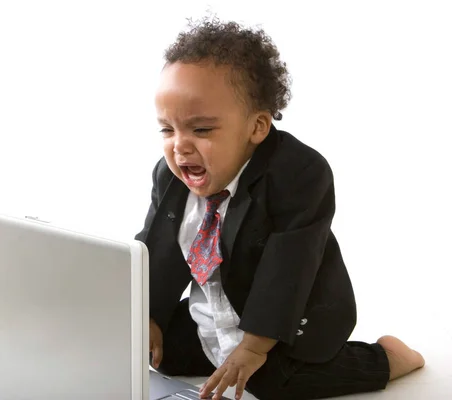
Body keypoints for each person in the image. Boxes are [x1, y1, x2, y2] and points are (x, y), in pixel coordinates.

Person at [135, 16, 425, 400]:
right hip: (218, 310)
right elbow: (157, 244)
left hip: (290, 316)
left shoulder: (299, 174)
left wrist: (253, 349)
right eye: (167, 130)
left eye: (201, 130)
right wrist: (150, 315)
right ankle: (216, 350)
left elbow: (289, 269)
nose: (180, 146)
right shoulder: (170, 175)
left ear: (257, 127)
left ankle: (387, 358)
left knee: (270, 381)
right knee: (160, 354)